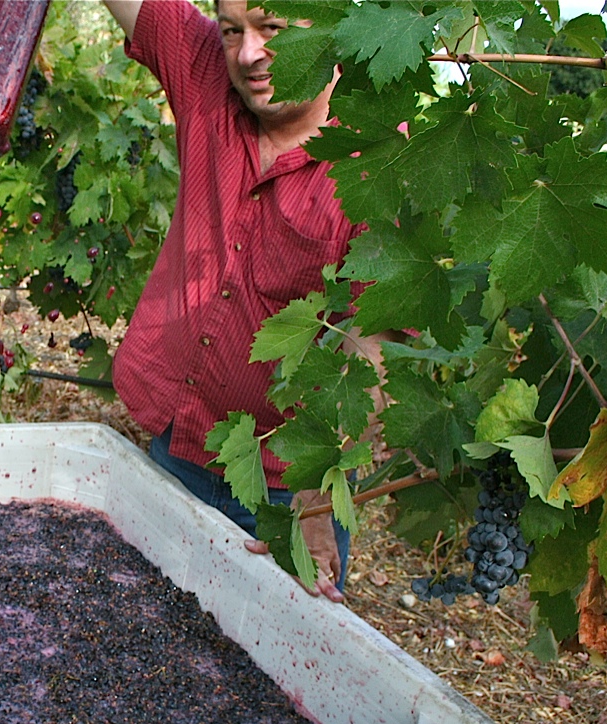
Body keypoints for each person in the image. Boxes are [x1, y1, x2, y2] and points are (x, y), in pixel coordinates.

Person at [100, 0, 398, 603]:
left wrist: (316, 499)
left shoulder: (381, 165)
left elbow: (374, 342)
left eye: (274, 30)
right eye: (232, 29)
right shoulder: (205, 71)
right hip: (175, 446)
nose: (248, 54)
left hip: (285, 496)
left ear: (334, 28)